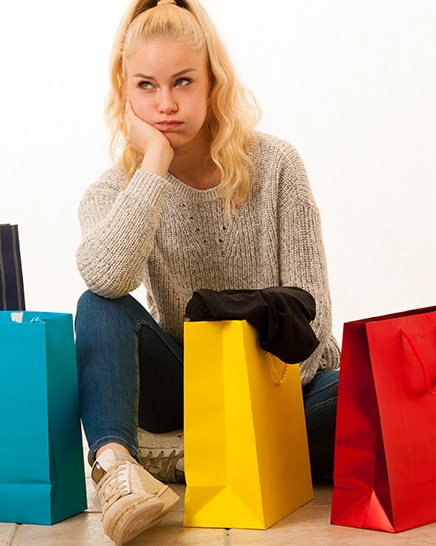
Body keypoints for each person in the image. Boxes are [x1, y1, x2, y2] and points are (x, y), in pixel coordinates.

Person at [75, 0, 340, 543]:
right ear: (123, 92)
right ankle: (118, 469)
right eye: (146, 86)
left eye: (183, 82)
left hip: (281, 384)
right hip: (181, 385)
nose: (166, 104)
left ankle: (189, 455)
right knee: (98, 305)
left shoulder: (277, 165)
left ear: (212, 82)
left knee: (361, 397)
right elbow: (105, 277)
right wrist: (153, 165)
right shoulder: (113, 190)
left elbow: (313, 324)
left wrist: (245, 409)